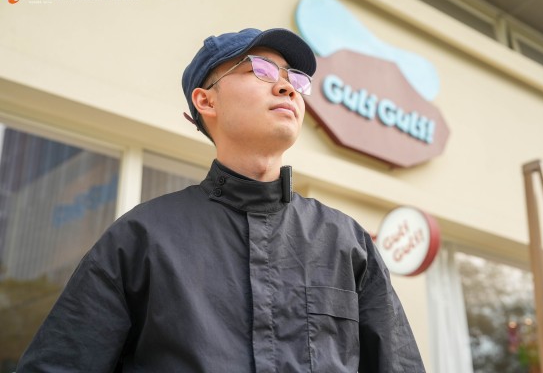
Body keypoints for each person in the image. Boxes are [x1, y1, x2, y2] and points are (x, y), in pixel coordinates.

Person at [17, 28, 425, 372]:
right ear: (206, 100)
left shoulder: (346, 241)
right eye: (261, 69)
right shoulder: (141, 238)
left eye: (295, 78)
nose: (287, 86)